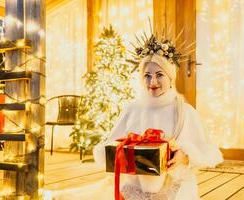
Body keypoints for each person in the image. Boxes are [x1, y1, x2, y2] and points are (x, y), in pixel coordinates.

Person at [93, 34, 223, 200]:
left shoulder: (184, 111)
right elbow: (109, 147)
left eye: (159, 74)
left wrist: (185, 156)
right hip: (134, 188)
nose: (152, 81)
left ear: (170, 77)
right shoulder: (131, 109)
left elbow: (206, 150)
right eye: (147, 75)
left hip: (173, 189)